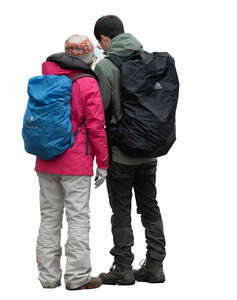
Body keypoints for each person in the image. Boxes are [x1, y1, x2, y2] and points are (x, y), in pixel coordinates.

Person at [94, 15, 166, 285]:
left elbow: (99, 112)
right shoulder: (148, 61)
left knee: (121, 210)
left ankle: (123, 268)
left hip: (120, 153)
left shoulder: (106, 66)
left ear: (104, 38)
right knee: (150, 207)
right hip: (149, 151)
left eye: (99, 43)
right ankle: (155, 265)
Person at [35, 34, 108, 290]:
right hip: (76, 162)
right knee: (77, 218)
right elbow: (96, 126)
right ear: (88, 57)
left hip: (45, 159)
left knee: (49, 218)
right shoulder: (88, 83)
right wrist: (104, 162)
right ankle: (77, 277)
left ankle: (48, 278)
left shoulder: (46, 77)